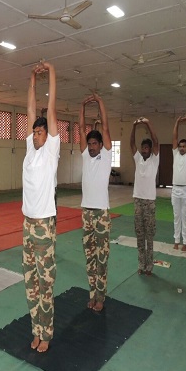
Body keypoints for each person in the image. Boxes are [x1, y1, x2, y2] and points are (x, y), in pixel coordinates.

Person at [22, 61, 60, 353]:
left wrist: (51, 72)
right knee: (30, 281)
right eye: (34, 132)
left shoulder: (50, 152)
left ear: (48, 137)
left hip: (45, 225)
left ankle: (46, 333)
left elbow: (50, 108)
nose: (36, 135)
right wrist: (33, 79)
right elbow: (31, 109)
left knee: (46, 283)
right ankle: (35, 328)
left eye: (40, 132)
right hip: (27, 224)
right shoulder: (29, 150)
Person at [79, 93, 112, 313]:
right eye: (89, 143)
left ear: (101, 145)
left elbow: (106, 127)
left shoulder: (106, 156)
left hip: (101, 214)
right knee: (90, 258)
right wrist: (82, 105)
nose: (91, 146)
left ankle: (101, 297)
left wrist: (100, 102)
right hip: (86, 214)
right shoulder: (85, 156)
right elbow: (82, 128)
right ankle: (92, 294)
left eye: (94, 143)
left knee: (102, 258)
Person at [130, 118, 159, 276]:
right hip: (138, 201)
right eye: (143, 148)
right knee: (140, 235)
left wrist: (148, 124)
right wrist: (134, 126)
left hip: (149, 202)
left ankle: (150, 266)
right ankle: (141, 264)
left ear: (150, 149)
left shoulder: (154, 159)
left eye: (146, 148)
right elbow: (131, 143)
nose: (144, 150)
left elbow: (156, 140)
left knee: (149, 236)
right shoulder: (138, 159)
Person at [171, 116, 186, 251]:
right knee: (176, 216)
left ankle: (185, 242)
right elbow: (174, 138)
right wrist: (177, 123)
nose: (181, 148)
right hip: (175, 189)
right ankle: (176, 240)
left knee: (185, 217)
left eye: (183, 146)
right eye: (180, 146)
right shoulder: (175, 154)